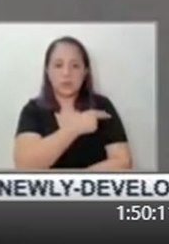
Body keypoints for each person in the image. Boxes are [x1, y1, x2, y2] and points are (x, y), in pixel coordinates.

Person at [12, 36, 132, 170]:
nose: (66, 73)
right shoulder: (33, 110)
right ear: (47, 70)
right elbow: (25, 166)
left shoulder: (101, 105)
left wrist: (77, 183)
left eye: (75, 66)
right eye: (58, 65)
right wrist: (75, 128)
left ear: (85, 71)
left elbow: (123, 162)